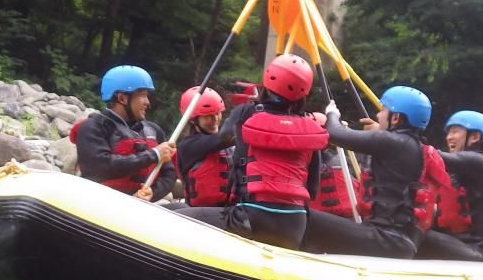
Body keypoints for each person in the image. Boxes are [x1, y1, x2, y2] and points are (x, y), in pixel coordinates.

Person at [182, 55, 329, 250]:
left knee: (176, 216)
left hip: (251, 217)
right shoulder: (310, 128)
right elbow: (312, 189)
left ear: (268, 79)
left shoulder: (245, 113)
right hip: (296, 224)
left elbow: (225, 136)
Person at [301, 86, 451, 258]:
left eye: (383, 110)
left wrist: (332, 114)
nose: (379, 116)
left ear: (395, 118)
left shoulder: (392, 142)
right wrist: (379, 131)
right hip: (399, 242)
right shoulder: (414, 146)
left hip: (384, 240)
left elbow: (334, 133)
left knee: (300, 215)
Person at [416, 111, 483, 262]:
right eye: (448, 132)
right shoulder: (461, 169)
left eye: (455, 131)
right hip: (463, 245)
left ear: (475, 137)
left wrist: (390, 138)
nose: (449, 137)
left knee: (413, 233)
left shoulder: (480, 162)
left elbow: (426, 154)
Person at [72, 65, 176, 202]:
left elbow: (169, 174)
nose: (148, 103)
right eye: (143, 96)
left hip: (138, 204)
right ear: (122, 98)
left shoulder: (153, 131)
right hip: (99, 202)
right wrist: (154, 155)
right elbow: (99, 167)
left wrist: (152, 193)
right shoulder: (93, 127)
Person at [175, 86, 233, 207]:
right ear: (192, 120)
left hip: (230, 210)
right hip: (200, 211)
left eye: (217, 113)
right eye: (208, 116)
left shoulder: (229, 146)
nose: (215, 119)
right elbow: (224, 137)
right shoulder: (188, 146)